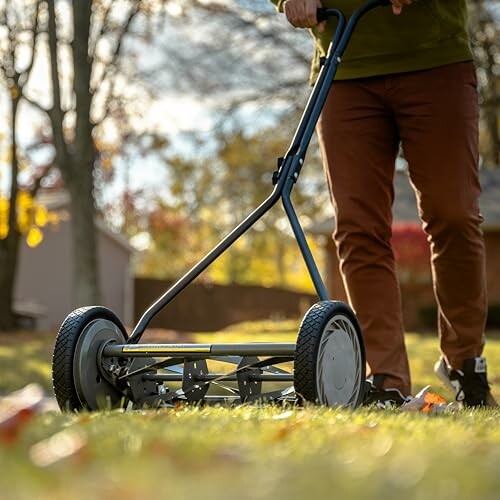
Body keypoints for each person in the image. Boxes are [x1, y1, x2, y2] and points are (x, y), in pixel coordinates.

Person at [271, 0, 497, 407]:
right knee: (358, 227)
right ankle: (386, 379)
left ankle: (465, 364)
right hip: (344, 60)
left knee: (455, 215)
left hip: (435, 58)